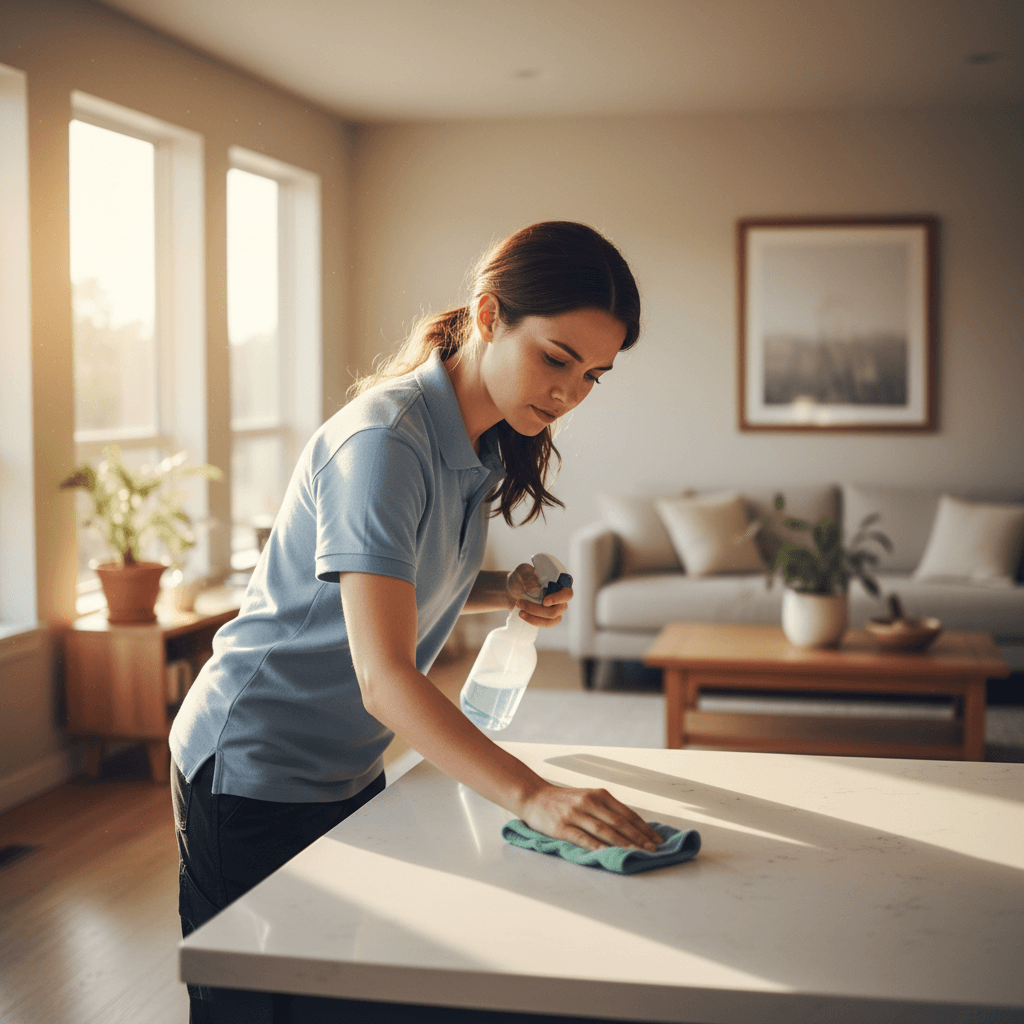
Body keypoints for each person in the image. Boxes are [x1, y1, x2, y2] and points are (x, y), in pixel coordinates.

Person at [170, 220, 662, 1022]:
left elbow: (400, 577)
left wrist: (505, 588)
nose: (570, 394)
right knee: (255, 1006)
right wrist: (533, 795)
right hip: (251, 765)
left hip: (342, 768)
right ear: (488, 313)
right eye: (556, 359)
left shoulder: (480, 440)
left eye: (594, 377)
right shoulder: (384, 442)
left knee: (342, 986)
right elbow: (383, 675)